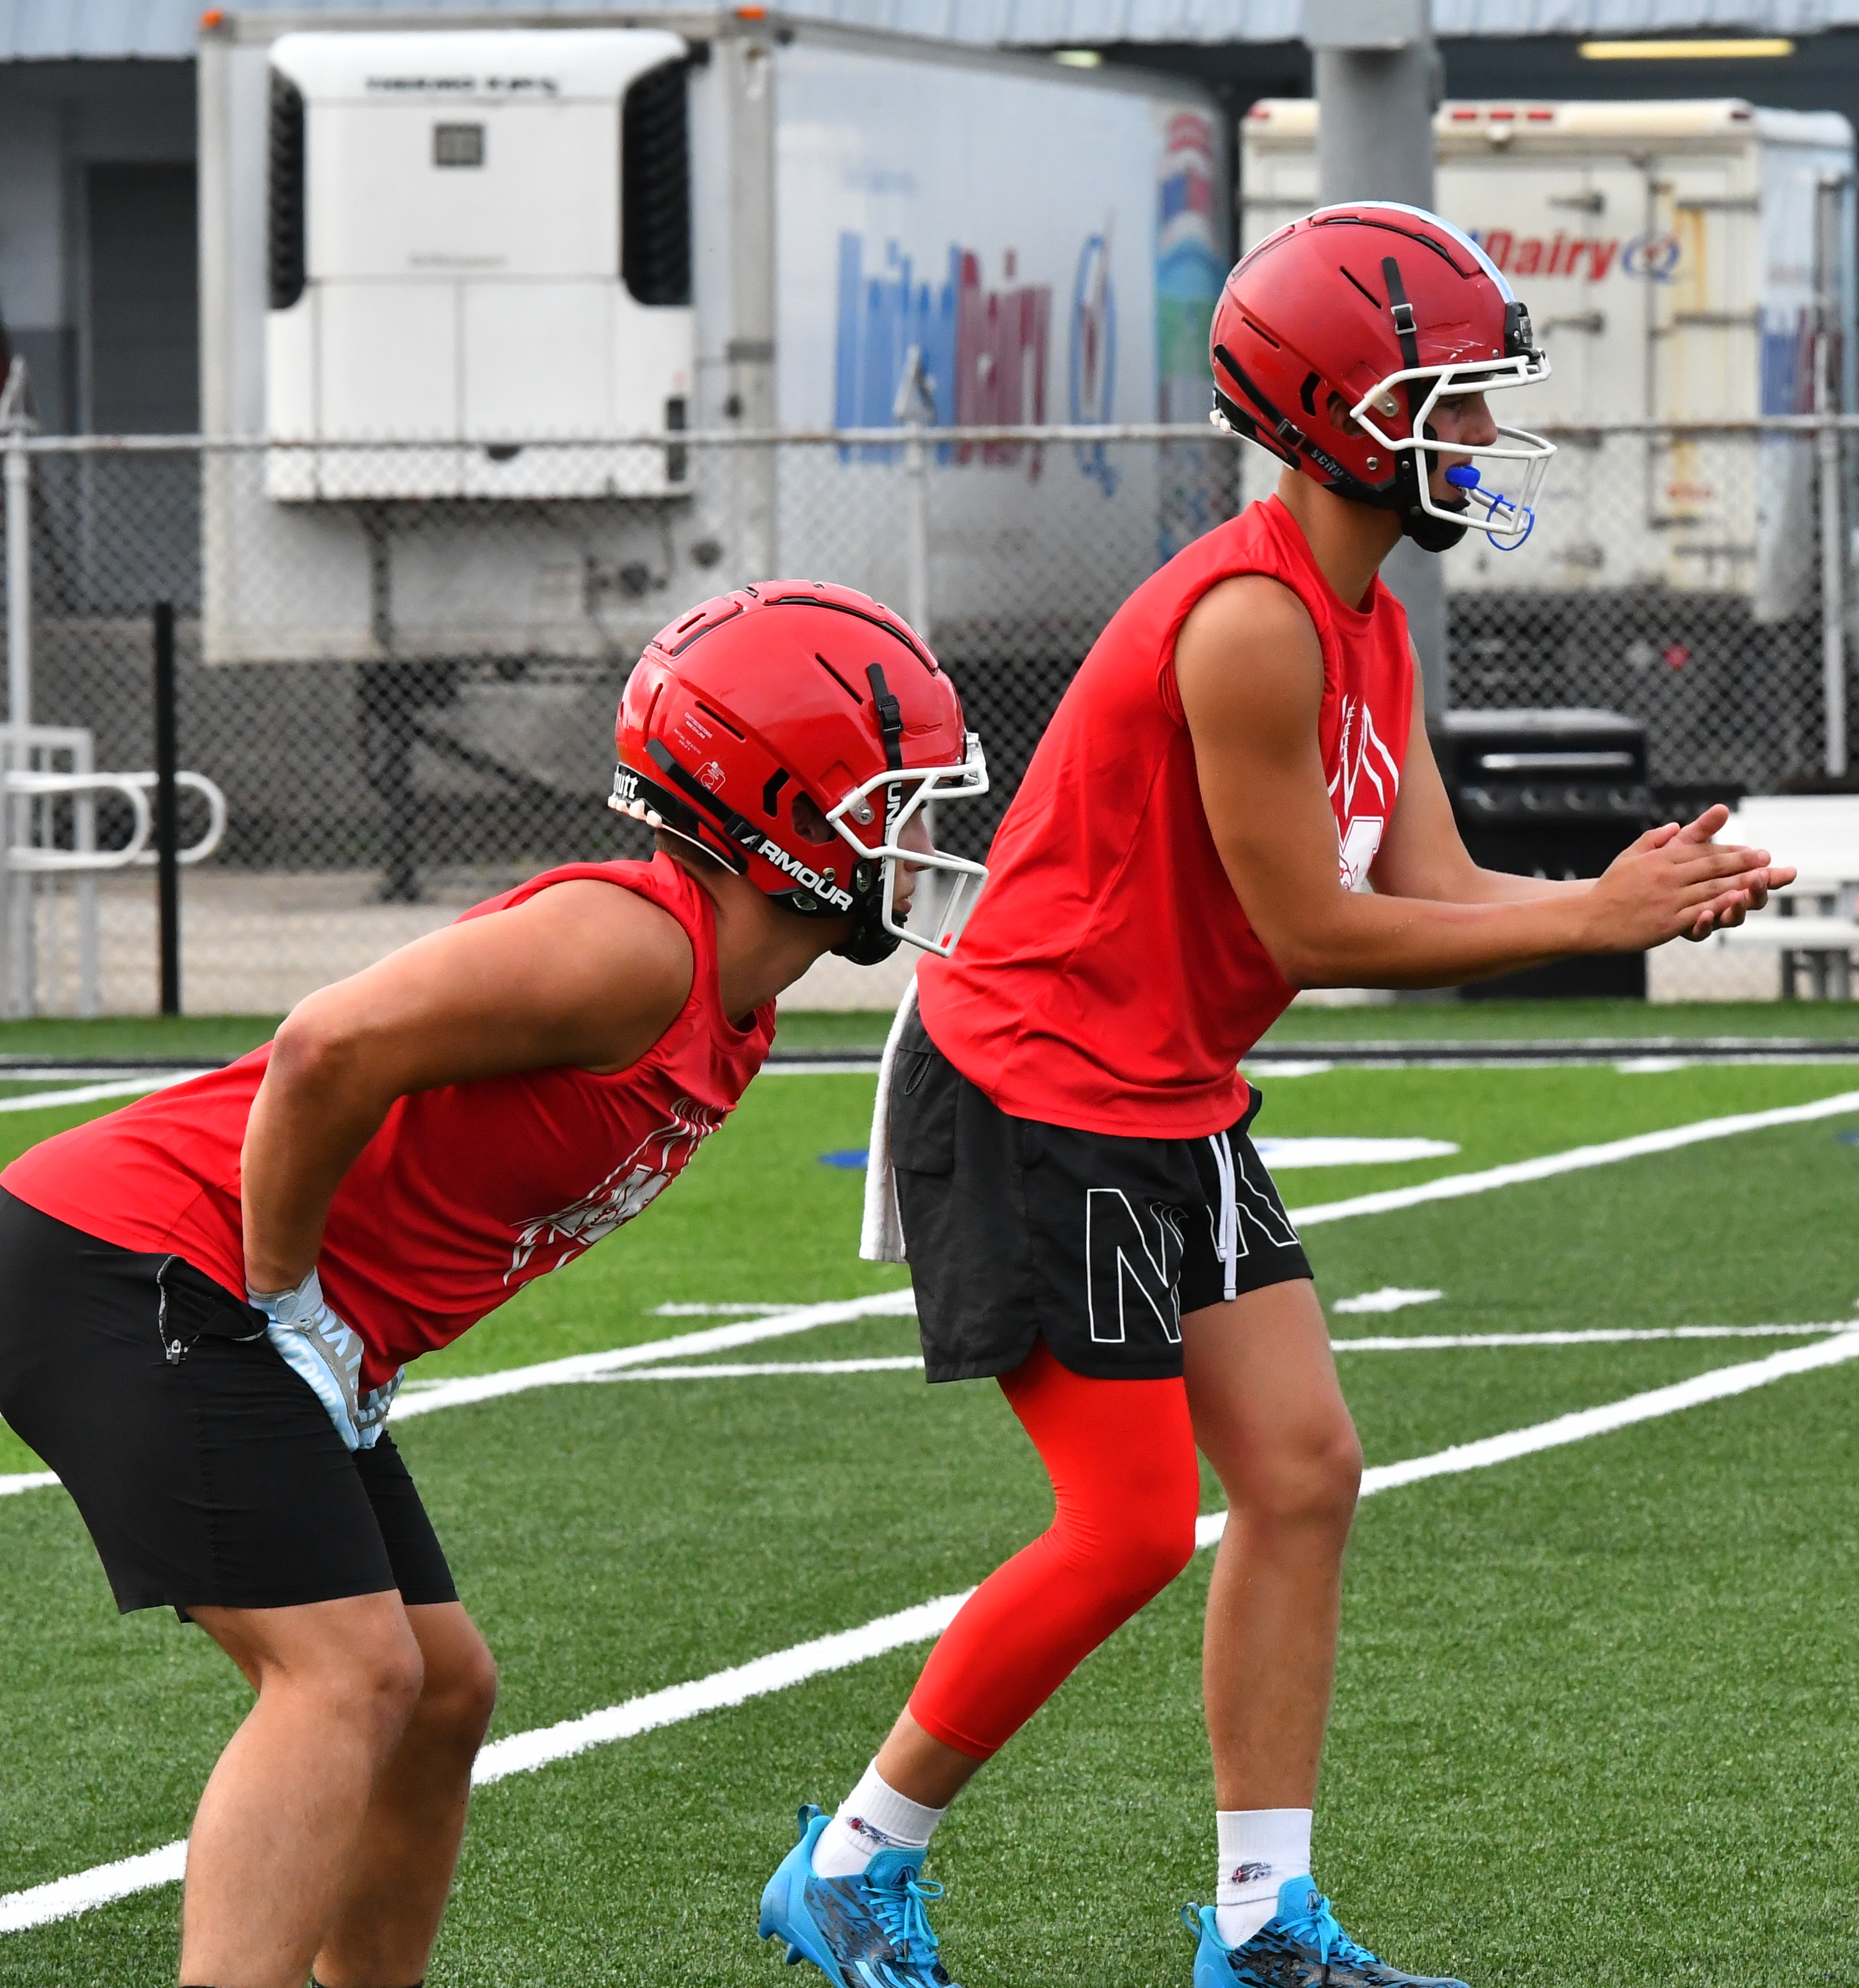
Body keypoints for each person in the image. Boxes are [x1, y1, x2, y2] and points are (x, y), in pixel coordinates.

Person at [759, 205, 1792, 1988]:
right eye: (1451, 407)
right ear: (1340, 413)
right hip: (1030, 1087)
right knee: (1130, 1522)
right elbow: (1311, 924)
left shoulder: (1363, 617)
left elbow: (1440, 883)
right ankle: (852, 1863)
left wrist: (1616, 897)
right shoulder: (1247, 623)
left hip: (1162, 1086)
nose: (1480, 442)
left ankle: (1257, 1928)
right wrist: (1595, 917)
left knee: (1304, 1471)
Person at [0, 582, 988, 1988]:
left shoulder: (734, 1002)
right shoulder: (641, 946)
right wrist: (287, 1293)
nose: (923, 841)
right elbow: (325, 1047)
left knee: (441, 1692)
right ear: (788, 812)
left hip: (217, 1286)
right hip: (137, 1261)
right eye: (898, 802)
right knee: (350, 1676)